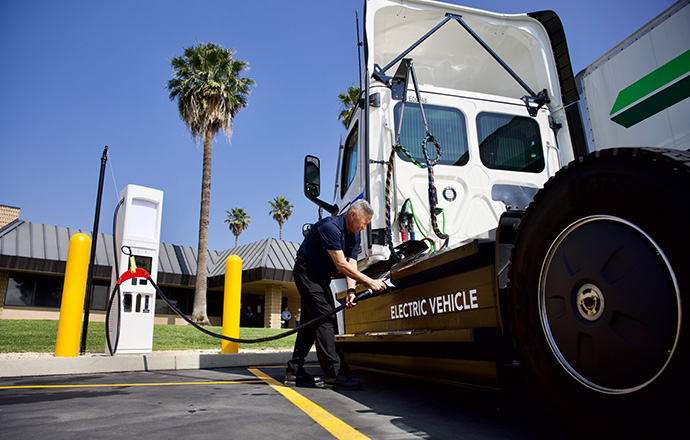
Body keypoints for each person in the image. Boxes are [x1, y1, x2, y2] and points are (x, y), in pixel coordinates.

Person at [285, 199, 386, 389]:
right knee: (325, 319)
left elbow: (352, 263)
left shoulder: (354, 234)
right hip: (307, 273)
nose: (364, 228)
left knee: (310, 323)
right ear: (353, 215)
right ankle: (333, 374)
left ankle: (294, 371)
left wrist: (351, 290)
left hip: (321, 277)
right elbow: (341, 264)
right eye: (364, 223)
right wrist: (371, 282)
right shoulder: (330, 227)